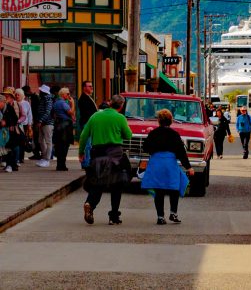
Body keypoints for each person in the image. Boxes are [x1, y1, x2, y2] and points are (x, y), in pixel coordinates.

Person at [79, 95, 132, 225]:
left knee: (98, 182)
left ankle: (90, 203)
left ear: (109, 103)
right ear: (121, 106)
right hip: (115, 154)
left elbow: (84, 135)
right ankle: (114, 216)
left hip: (97, 153)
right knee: (116, 184)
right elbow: (128, 135)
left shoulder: (95, 116)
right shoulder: (120, 118)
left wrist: (81, 153)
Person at [141, 108, 195, 225]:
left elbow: (145, 148)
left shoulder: (153, 133)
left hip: (156, 163)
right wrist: (188, 167)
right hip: (170, 163)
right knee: (174, 189)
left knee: (159, 190)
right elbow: (181, 152)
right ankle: (173, 213)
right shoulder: (174, 134)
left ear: (159, 120)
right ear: (170, 120)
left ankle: (160, 217)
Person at [51, 87, 76, 171]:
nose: (69, 95)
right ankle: (62, 165)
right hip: (65, 126)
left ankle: (59, 164)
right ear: (63, 94)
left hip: (58, 124)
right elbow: (71, 112)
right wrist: (72, 103)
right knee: (64, 145)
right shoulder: (62, 103)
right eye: (68, 94)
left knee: (59, 145)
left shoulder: (56, 102)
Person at [34, 84, 55, 167]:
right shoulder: (43, 99)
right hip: (43, 123)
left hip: (48, 123)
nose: (40, 92)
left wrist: (40, 120)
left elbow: (47, 112)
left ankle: (47, 159)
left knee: (48, 141)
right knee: (41, 141)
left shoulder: (48, 100)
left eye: (41, 91)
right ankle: (44, 157)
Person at [2, 88, 22, 172]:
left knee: (12, 147)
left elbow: (15, 118)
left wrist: (6, 122)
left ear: (11, 97)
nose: (5, 98)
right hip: (5, 130)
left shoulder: (11, 106)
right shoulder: (4, 106)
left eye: (7, 96)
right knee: (7, 148)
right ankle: (10, 164)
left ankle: (12, 164)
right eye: (4, 96)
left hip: (12, 130)